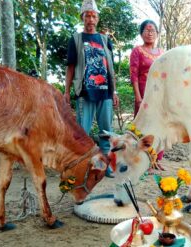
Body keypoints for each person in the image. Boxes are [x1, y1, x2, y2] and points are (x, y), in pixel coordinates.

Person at [64, 0, 119, 177]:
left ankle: (105, 165)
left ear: (97, 19)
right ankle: (83, 166)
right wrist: (66, 91)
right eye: (87, 15)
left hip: (105, 92)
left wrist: (114, 91)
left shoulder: (105, 40)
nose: (91, 19)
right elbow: (70, 67)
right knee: (83, 133)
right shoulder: (76, 39)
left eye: (94, 15)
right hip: (85, 92)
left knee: (106, 131)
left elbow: (110, 66)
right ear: (82, 18)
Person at [129, 20, 164, 169]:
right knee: (143, 127)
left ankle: (156, 160)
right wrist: (138, 96)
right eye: (147, 30)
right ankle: (143, 160)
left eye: (153, 30)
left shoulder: (162, 53)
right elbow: (134, 75)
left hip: (160, 94)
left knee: (160, 126)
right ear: (141, 33)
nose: (150, 33)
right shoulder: (137, 51)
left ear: (157, 34)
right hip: (143, 92)